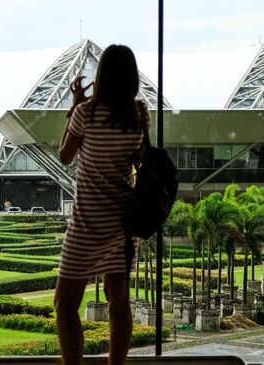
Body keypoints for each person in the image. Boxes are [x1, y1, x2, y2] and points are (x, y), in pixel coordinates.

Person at [54, 44, 149, 365]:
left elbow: (65, 156)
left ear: (101, 77)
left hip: (87, 221)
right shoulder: (139, 114)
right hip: (123, 220)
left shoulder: (86, 113)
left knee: (65, 304)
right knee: (118, 301)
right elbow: (140, 159)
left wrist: (74, 107)